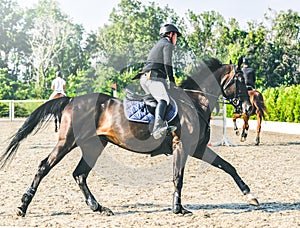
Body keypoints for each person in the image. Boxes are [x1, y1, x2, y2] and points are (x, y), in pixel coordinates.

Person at [138, 23, 181, 139]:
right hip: (153, 78)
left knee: (158, 101)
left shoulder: (159, 44)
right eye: (176, 35)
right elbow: (167, 64)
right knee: (164, 99)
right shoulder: (167, 44)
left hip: (146, 78)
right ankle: (157, 128)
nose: (176, 39)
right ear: (170, 34)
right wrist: (172, 81)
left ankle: (152, 124)